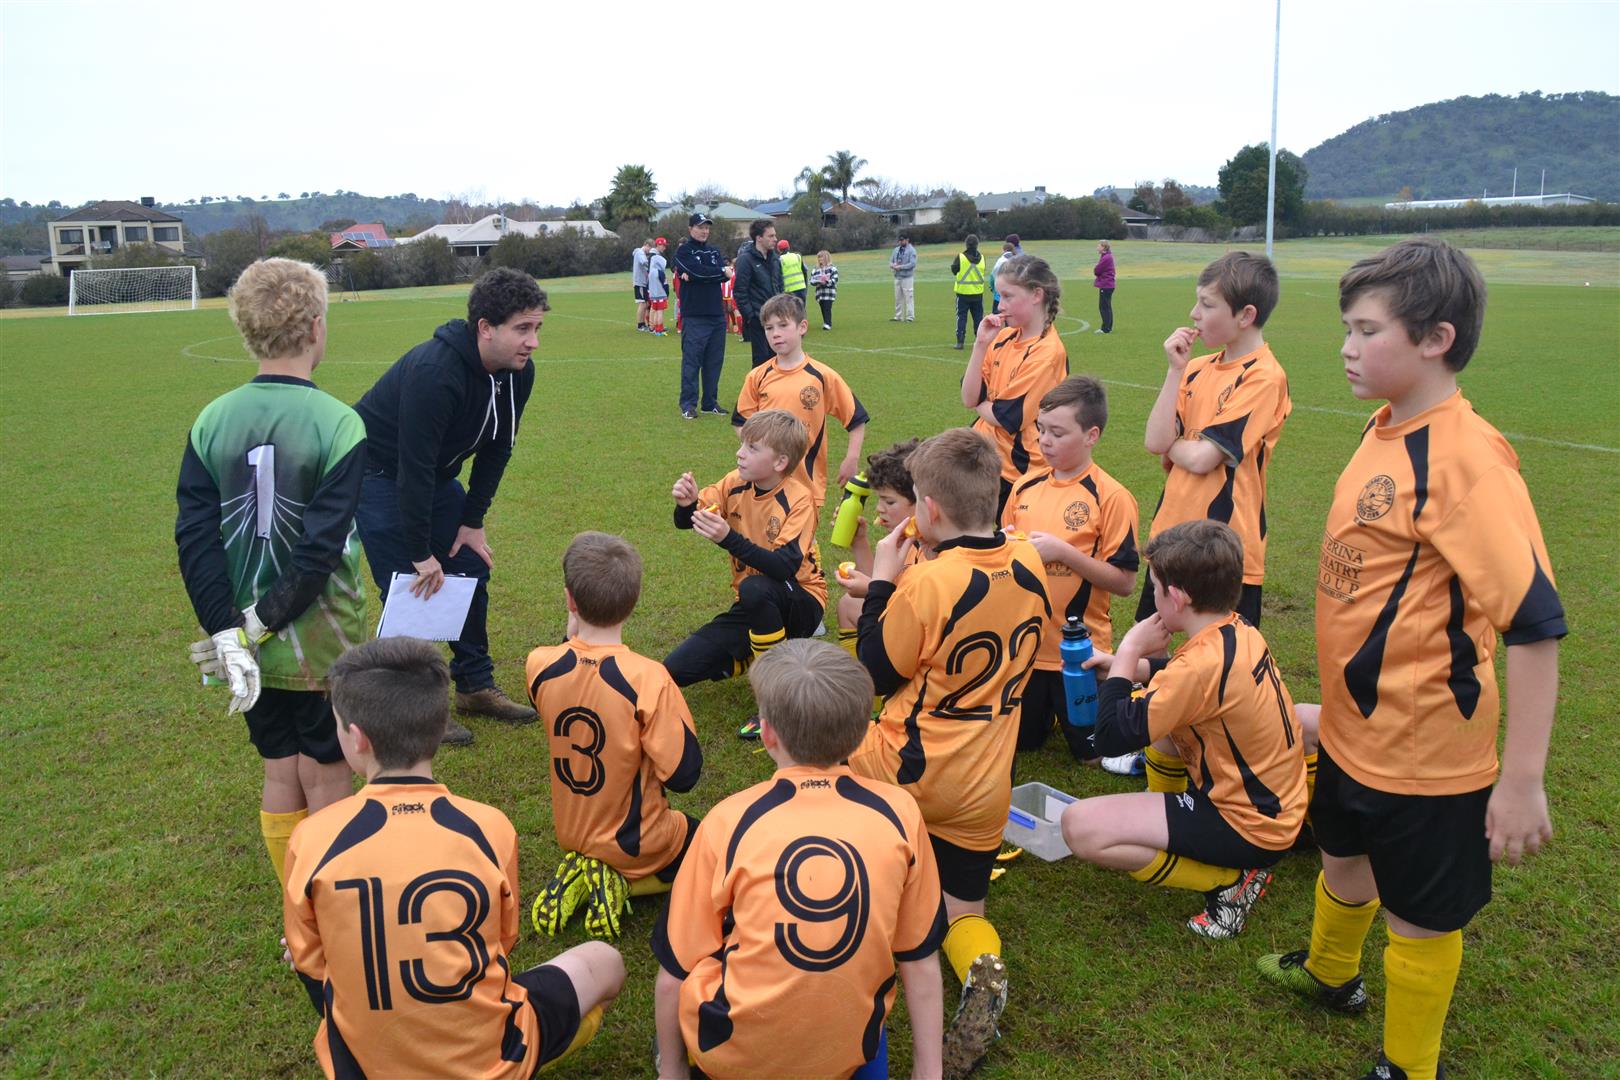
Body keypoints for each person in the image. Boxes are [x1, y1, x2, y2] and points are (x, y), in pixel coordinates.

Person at [1257, 238, 1566, 1080]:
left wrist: (1523, 780)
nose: (1348, 348)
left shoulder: (1466, 461)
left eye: (1367, 330)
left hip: (1431, 748)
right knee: (1343, 853)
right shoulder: (1387, 423)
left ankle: (1407, 1066)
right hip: (1360, 726)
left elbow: (1536, 626)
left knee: (1422, 917)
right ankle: (1328, 975)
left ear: (1435, 338)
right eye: (1347, 329)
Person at [283, 637, 626, 1080]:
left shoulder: (313, 838)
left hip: (362, 1068)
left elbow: (312, 969)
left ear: (356, 737)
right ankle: (533, 1051)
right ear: (440, 723)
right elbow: (502, 944)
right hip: (490, 1062)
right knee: (604, 960)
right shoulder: (488, 827)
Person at [851, 428, 1050, 1080]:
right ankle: (980, 975)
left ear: (927, 510)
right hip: (988, 778)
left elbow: (877, 671)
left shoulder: (931, 579)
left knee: (818, 754)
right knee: (965, 908)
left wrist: (883, 579)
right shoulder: (1031, 561)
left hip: (907, 769)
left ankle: (852, 920)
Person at [651, 640, 946, 1080]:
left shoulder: (728, 821)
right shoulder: (900, 813)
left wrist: (670, 1070)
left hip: (732, 1056)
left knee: (705, 933)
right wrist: (929, 1072)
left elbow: (674, 974)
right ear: (865, 731)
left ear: (766, 733)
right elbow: (919, 961)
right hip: (850, 1050)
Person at [175, 257, 366, 886]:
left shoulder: (211, 419)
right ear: (315, 327)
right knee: (329, 768)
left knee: (280, 768)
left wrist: (227, 631)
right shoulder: (339, 422)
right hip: (315, 637)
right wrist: (256, 626)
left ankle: (295, 900)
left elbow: (195, 538)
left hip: (242, 642)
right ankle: (327, 906)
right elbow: (319, 550)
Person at [1059, 520, 1306, 940]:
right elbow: (1183, 680)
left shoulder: (1201, 664)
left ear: (1175, 597)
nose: (1151, 597)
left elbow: (1110, 737)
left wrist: (1128, 653)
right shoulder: (1237, 628)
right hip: (1276, 807)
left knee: (1079, 826)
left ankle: (1230, 883)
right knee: (1162, 722)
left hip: (1249, 827)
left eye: (1154, 587)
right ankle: (1168, 812)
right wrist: (1126, 667)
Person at [351, 267, 544, 746]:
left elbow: (499, 446)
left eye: (537, 328)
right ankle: (415, 713)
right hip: (376, 475)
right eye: (522, 328)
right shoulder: (435, 373)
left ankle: (475, 686)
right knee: (409, 587)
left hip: (432, 479)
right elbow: (411, 467)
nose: (533, 342)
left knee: (470, 567)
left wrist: (472, 523)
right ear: (485, 327)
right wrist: (420, 552)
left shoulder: (518, 373)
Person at [524, 532, 703, 925]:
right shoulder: (649, 678)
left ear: (570, 600)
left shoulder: (538, 664)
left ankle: (587, 868)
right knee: (707, 841)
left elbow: (566, 664)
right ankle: (620, 878)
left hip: (572, 835)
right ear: (633, 602)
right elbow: (684, 776)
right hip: (639, 843)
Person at [1140, 252, 1290, 629]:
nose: (1193, 313)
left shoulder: (1264, 377)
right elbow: (1155, 441)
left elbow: (1205, 458)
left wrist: (1178, 447)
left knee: (1227, 661)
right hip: (1170, 538)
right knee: (1148, 650)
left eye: (1207, 304)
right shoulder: (1194, 368)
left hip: (1225, 550)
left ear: (1246, 315)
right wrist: (1175, 371)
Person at [664, 410, 827, 739]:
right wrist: (687, 504)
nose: (740, 453)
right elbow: (689, 521)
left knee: (756, 587)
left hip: (802, 601)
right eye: (742, 445)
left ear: (780, 462)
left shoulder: (799, 500)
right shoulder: (734, 483)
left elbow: (783, 567)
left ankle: (774, 704)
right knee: (674, 670)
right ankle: (751, 656)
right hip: (755, 604)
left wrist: (728, 538)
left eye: (752, 448)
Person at [1002, 376, 1139, 761]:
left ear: (1091, 435)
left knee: (1093, 754)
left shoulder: (1112, 497)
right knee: (1023, 743)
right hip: (1026, 646)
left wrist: (1063, 552)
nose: (1045, 440)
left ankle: (1124, 689)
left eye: (1058, 433)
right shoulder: (1023, 488)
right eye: (1041, 430)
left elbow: (1125, 582)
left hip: (1079, 653)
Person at [730, 293, 870, 515]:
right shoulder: (757, 376)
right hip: (764, 481)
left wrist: (851, 458)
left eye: (783, 325)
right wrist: (759, 451)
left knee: (800, 546)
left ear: (802, 327)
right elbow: (740, 422)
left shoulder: (822, 376)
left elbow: (856, 419)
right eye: (769, 328)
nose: (775, 334)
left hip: (806, 483)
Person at [960, 254, 1070, 513]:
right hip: (982, 459)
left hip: (1016, 471)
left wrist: (982, 404)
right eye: (999, 296)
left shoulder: (1047, 353)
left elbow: (1005, 416)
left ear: (1036, 295)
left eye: (1008, 296)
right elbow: (968, 397)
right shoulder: (1003, 337)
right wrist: (980, 345)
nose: (1000, 305)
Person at [832, 437, 922, 661]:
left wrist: (871, 589)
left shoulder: (931, 546)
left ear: (923, 501)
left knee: (854, 603)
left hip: (922, 635)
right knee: (848, 604)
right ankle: (862, 687)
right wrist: (859, 542)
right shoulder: (906, 538)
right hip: (908, 619)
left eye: (889, 502)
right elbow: (881, 580)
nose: (880, 509)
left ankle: (872, 685)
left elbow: (921, 604)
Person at [673, 212, 732, 420]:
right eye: (700, 227)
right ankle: (688, 404)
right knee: (692, 361)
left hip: (716, 315)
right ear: (690, 229)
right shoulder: (684, 251)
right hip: (695, 316)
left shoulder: (714, 251)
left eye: (707, 227)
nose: (704, 231)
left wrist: (708, 275)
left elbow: (710, 274)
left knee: (714, 361)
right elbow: (698, 272)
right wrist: (718, 273)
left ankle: (709, 402)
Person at [734, 217, 783, 369]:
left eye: (775, 235)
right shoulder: (745, 260)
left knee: (778, 360)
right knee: (761, 363)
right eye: (771, 236)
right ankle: (757, 392)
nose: (775, 239)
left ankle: (777, 393)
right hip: (758, 320)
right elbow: (740, 291)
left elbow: (779, 285)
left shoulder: (775, 258)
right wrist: (751, 317)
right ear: (759, 238)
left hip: (777, 318)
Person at [950, 233, 989, 349]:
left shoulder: (961, 257)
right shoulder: (982, 258)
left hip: (963, 293)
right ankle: (980, 341)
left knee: (961, 317)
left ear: (966, 244)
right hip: (977, 293)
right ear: (977, 245)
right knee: (978, 318)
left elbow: (954, 270)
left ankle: (960, 342)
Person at [889, 233, 917, 321]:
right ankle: (898, 316)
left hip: (907, 277)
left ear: (907, 240)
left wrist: (900, 267)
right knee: (898, 298)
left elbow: (912, 264)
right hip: (897, 277)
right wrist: (893, 265)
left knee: (909, 298)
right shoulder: (896, 250)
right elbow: (890, 261)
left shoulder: (912, 250)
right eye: (900, 240)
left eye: (902, 240)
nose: (901, 242)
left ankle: (910, 317)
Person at [809, 248, 839, 330]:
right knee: (823, 308)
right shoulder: (815, 269)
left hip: (829, 293)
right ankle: (826, 322)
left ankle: (828, 324)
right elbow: (811, 280)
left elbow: (835, 280)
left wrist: (826, 281)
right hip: (820, 293)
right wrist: (817, 281)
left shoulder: (832, 269)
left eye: (821, 257)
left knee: (827, 307)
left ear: (826, 258)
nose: (820, 260)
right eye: (818, 258)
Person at [646, 237, 670, 336]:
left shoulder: (651, 259)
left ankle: (654, 328)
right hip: (659, 291)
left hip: (652, 290)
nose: (664, 248)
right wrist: (667, 292)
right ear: (658, 245)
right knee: (660, 311)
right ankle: (659, 329)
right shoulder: (658, 265)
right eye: (663, 245)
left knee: (654, 309)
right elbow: (664, 281)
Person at [777, 237, 808, 309]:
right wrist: (805, 286)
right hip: (801, 288)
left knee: (792, 313)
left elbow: (778, 277)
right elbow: (805, 271)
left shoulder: (780, 260)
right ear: (788, 247)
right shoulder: (798, 256)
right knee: (802, 311)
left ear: (779, 250)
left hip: (788, 290)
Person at [1092, 239, 1116, 334]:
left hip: (1106, 285)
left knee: (1104, 307)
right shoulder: (1106, 256)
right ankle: (1108, 327)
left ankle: (1105, 328)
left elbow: (1097, 270)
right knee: (1107, 307)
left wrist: (1096, 268)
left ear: (1103, 247)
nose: (1097, 248)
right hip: (1108, 285)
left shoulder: (1106, 258)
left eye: (1098, 246)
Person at [632, 238, 653, 332]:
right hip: (640, 282)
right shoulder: (640, 253)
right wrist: (652, 263)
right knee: (642, 303)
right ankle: (640, 325)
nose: (649, 251)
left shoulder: (641, 253)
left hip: (642, 282)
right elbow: (644, 262)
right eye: (650, 248)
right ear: (647, 245)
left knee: (645, 303)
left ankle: (643, 324)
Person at [990, 239, 1015, 314]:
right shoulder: (1016, 260)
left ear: (1004, 250)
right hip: (1012, 294)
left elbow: (992, 277)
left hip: (999, 294)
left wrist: (992, 288)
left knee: (996, 316)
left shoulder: (1000, 260)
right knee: (1010, 318)